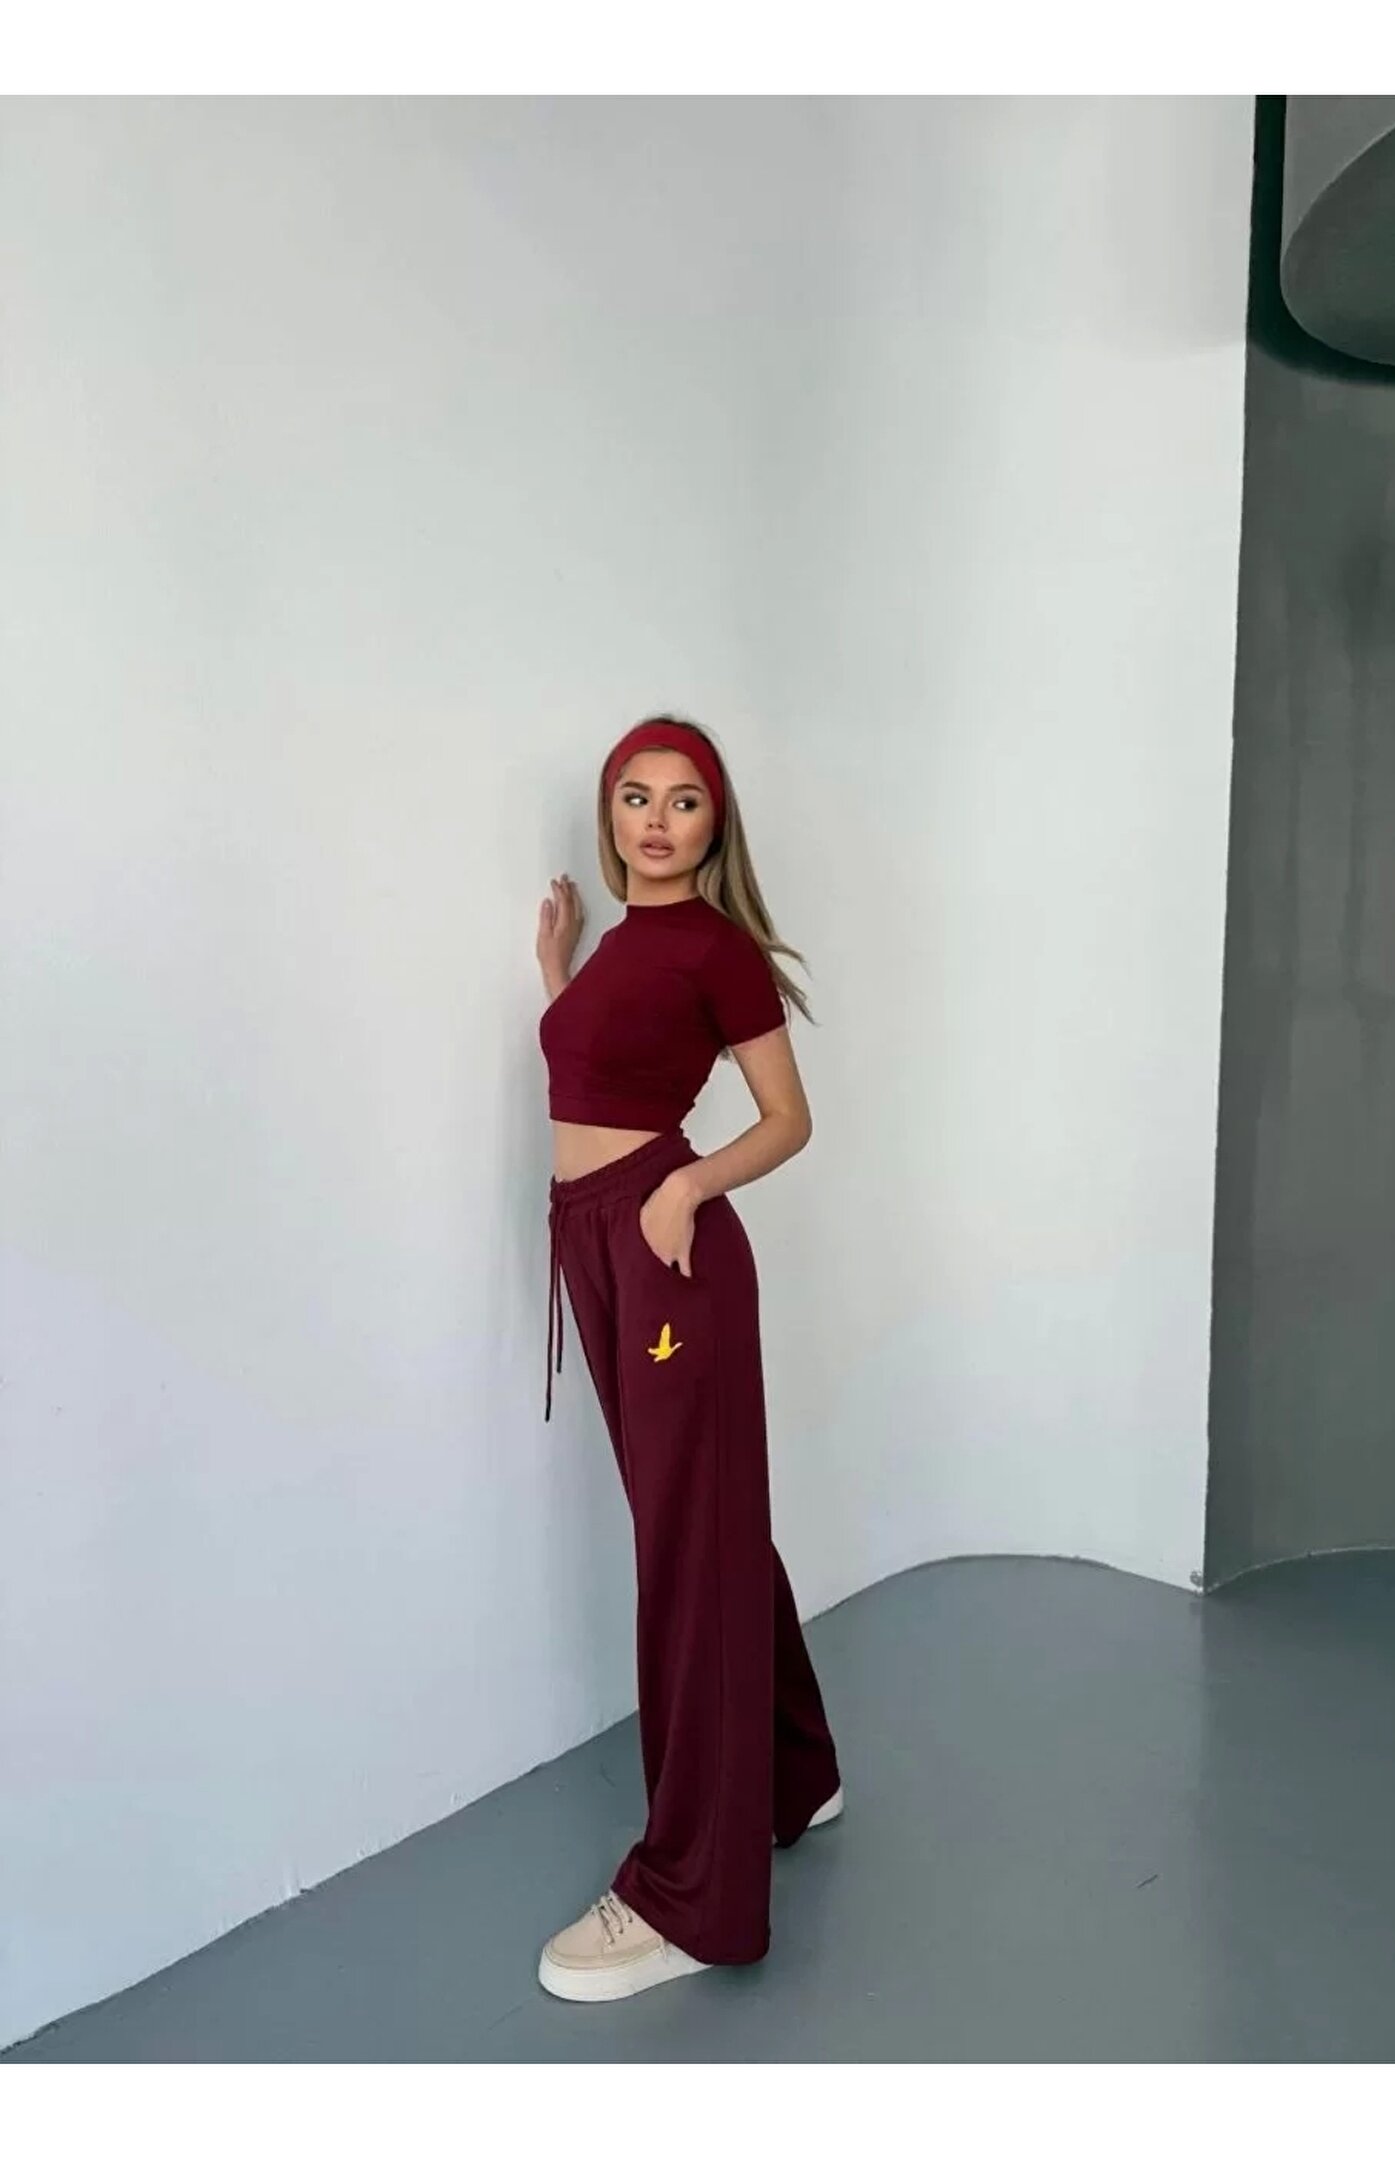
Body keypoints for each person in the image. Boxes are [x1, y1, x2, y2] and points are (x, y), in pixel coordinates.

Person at [532, 712, 843, 2003]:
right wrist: (558, 973)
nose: (656, 820)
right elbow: (598, 1071)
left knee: (687, 1549)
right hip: (595, 1240)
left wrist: (688, 1187)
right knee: (705, 1527)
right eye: (635, 797)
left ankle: (690, 1896)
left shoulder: (719, 948)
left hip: (668, 1253)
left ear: (716, 825)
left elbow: (788, 1118)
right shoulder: (619, 947)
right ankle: (796, 1772)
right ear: (611, 816)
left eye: (683, 800)